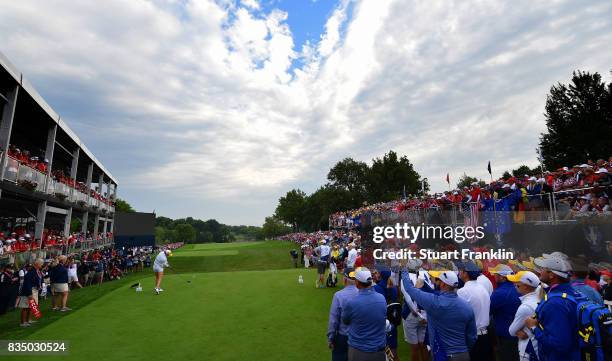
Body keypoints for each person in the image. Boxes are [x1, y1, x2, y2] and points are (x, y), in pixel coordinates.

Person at [401, 269, 477, 360]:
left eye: (438, 280)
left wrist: (404, 269)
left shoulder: (434, 302)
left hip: (443, 355)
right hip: (463, 354)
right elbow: (472, 336)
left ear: (443, 284)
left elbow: (409, 289)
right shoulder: (467, 307)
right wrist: (463, 350)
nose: (436, 282)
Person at [524, 256, 580, 361]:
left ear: (551, 275)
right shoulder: (571, 292)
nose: (540, 271)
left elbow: (560, 344)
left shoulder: (555, 303)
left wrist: (534, 328)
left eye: (543, 268)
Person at [342, 267, 387, 361]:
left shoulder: (352, 303)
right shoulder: (382, 298)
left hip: (359, 350)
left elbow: (345, 320)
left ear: (357, 283)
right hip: (379, 350)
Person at [457, 261, 493, 361]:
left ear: (465, 273)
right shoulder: (482, 288)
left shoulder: (463, 291)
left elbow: (459, 315)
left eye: (461, 270)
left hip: (472, 336)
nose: (459, 272)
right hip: (484, 334)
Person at [489, 264, 521, 361]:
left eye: (496, 274)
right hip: (519, 331)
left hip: (505, 334)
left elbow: (489, 310)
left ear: (502, 277)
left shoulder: (499, 293)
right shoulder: (518, 288)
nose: (494, 276)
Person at [507, 271, 541, 360]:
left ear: (525, 286)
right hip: (538, 346)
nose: (514, 285)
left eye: (517, 284)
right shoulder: (540, 296)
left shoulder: (525, 307)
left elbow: (511, 331)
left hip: (529, 348)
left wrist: (517, 331)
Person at [327, 267, 359, 361]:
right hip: (359, 337)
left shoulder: (338, 295)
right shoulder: (362, 293)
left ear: (345, 279)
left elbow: (333, 320)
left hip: (343, 337)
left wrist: (331, 338)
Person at [16, 258, 43, 327]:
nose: (42, 265)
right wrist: (29, 293)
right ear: (37, 264)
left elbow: (37, 280)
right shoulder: (31, 272)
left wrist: (38, 286)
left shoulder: (36, 271)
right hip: (29, 291)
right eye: (41, 264)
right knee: (25, 307)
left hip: (34, 290)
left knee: (31, 307)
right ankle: (22, 323)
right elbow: (27, 283)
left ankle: (28, 320)